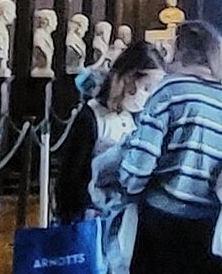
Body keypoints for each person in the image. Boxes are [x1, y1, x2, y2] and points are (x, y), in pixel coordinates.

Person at [117, 19, 222, 274]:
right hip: (212, 229)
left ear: (182, 52)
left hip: (160, 226)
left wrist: (127, 187)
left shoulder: (168, 92)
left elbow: (139, 167)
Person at [62, 35, 164, 271]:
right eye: (147, 88)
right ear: (128, 80)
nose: (148, 95)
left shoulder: (137, 118)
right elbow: (70, 175)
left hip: (129, 222)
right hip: (94, 219)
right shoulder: (91, 116)